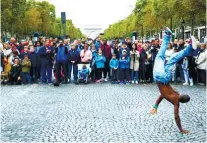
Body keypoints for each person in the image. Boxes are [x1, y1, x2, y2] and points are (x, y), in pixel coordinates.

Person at [150, 27, 197, 134]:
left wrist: (156, 106)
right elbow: (176, 116)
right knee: (160, 57)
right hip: (160, 77)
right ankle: (169, 36)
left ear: (182, 96)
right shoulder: (175, 101)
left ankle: (189, 47)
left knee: (172, 58)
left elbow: (161, 96)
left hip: (165, 78)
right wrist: (181, 129)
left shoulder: (175, 93)